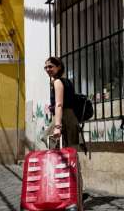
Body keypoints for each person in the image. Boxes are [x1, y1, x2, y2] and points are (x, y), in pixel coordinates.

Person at [43, 57, 85, 210]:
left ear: (59, 67)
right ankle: (76, 196)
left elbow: (59, 104)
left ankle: (63, 195)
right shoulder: (67, 82)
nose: (48, 69)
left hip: (64, 119)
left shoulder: (58, 82)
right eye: (46, 67)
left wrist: (58, 126)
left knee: (57, 157)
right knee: (72, 159)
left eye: (51, 66)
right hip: (71, 119)